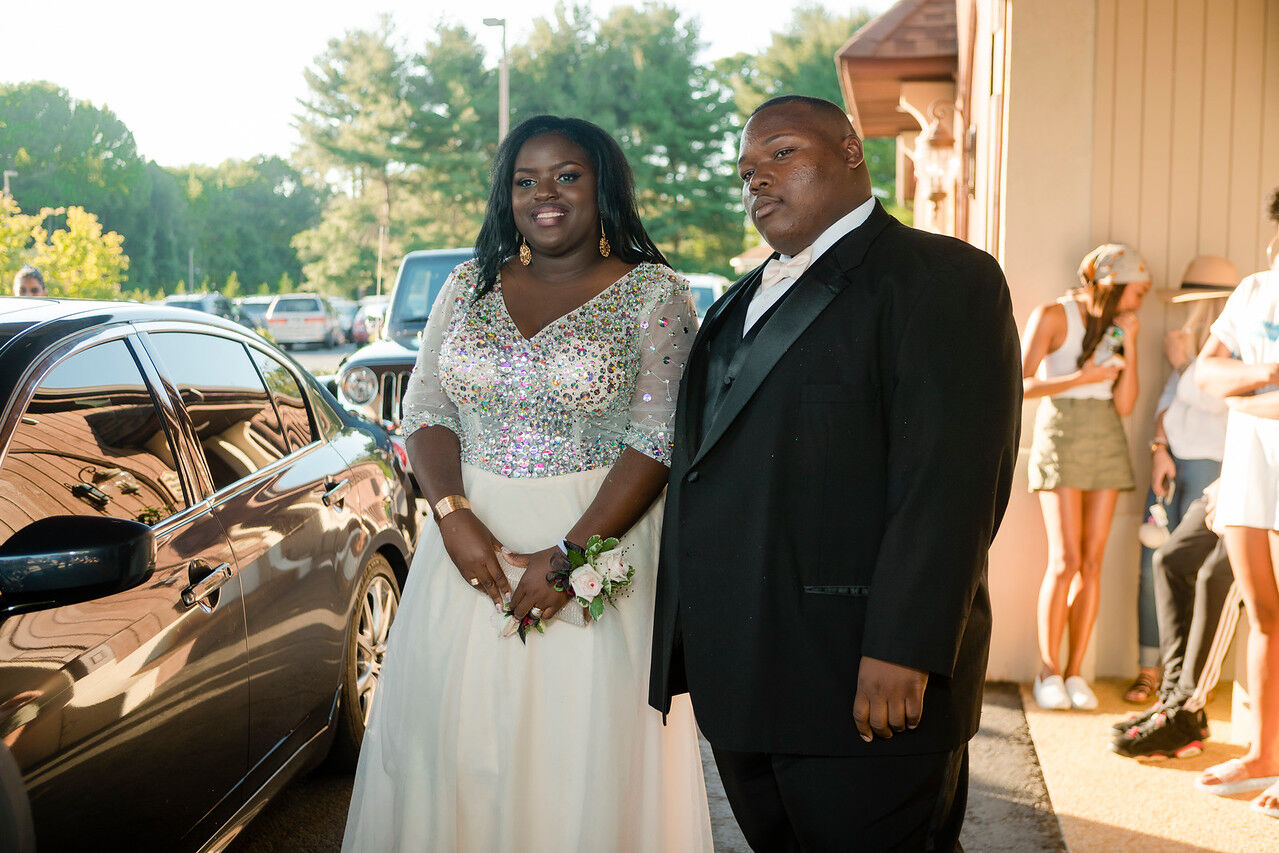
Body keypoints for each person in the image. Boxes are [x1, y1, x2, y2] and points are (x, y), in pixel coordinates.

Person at [649, 95, 1021, 850]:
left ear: (852, 152)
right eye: (746, 169)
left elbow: (948, 483)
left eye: (782, 153)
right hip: (746, 682)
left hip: (867, 680)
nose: (757, 179)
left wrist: (905, 646)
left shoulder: (942, 278)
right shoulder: (732, 305)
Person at [342, 115, 713, 851]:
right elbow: (425, 408)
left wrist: (570, 555)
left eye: (566, 175)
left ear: (602, 185)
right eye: (525, 179)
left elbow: (657, 437)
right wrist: (451, 515)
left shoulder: (655, 293)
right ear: (505, 196)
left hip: (595, 535)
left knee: (573, 748)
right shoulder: (467, 284)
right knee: (453, 742)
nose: (545, 193)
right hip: (466, 547)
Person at [1021, 243, 1151, 710]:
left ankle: (1077, 673)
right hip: (1061, 431)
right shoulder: (1055, 314)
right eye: (1138, 291)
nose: (1141, 300)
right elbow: (1019, 382)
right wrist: (1082, 376)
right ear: (1113, 282)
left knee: (1092, 563)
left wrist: (1130, 345)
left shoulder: (1122, 325)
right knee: (1065, 560)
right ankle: (1048, 671)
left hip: (1106, 434)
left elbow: (1125, 404)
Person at [1194, 186, 1279, 818]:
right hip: (1251, 461)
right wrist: (1267, 376)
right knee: (1265, 614)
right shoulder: (1252, 291)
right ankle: (1263, 754)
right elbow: (1206, 373)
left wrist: (1243, 381)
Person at [1124, 258, 1235, 704]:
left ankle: (1185, 679)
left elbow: (1217, 402)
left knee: (1187, 569)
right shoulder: (1188, 342)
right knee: (1151, 566)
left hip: (1213, 468)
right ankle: (1149, 671)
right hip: (1171, 465)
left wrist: (1185, 362)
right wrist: (1159, 450)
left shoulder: (1239, 344)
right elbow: (1168, 403)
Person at [1111, 481, 1244, 758]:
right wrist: (1227, 484)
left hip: (1266, 497)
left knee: (1215, 578)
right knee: (1169, 561)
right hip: (1238, 480)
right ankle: (1171, 698)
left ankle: (1186, 712)